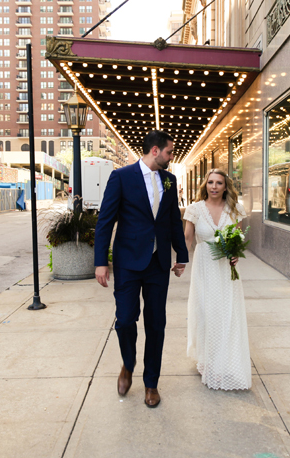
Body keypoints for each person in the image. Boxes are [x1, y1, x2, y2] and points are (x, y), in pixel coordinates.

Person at [94, 129, 189, 408]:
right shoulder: (121, 177)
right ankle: (128, 363)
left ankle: (151, 383)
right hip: (128, 263)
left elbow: (173, 221)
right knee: (125, 320)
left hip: (158, 264)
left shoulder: (169, 180)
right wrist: (101, 261)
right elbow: (105, 222)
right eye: (170, 151)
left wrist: (181, 255)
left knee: (156, 323)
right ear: (156, 151)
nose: (172, 156)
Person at [183, 169, 251, 390]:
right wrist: (180, 262)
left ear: (225, 186)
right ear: (205, 184)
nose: (214, 186)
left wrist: (235, 255)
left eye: (219, 183)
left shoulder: (234, 210)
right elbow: (188, 238)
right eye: (210, 182)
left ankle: (224, 364)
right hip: (204, 267)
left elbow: (238, 238)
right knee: (205, 313)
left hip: (225, 270)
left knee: (226, 315)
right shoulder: (194, 209)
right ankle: (210, 362)